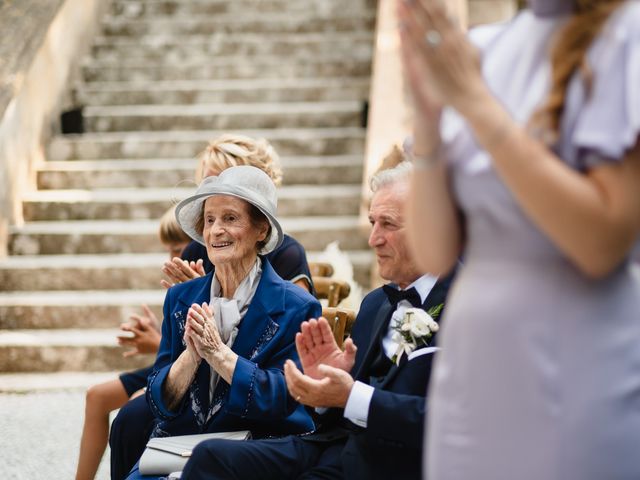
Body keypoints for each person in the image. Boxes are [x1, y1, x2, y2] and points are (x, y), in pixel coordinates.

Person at [397, 0, 640, 479]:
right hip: (473, 370)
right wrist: (427, 118)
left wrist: (472, 101)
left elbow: (599, 243)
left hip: (574, 361)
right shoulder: (486, 48)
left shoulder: (625, 34)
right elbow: (433, 250)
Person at [180, 162, 455, 480]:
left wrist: (351, 395)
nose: (374, 239)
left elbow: (456, 423)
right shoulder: (377, 303)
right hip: (332, 445)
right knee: (209, 456)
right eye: (372, 223)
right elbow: (334, 413)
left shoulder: (468, 307)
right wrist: (325, 389)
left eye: (389, 224)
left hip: (394, 462)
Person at [109, 135, 316, 479]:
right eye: (209, 220)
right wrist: (191, 356)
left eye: (230, 218)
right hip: (179, 448)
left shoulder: (296, 306)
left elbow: (284, 399)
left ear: (261, 229)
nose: (216, 230)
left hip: (255, 449)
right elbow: (160, 401)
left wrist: (221, 355)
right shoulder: (181, 298)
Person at [74, 206, 191, 480]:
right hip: (168, 365)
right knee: (96, 395)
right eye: (168, 250)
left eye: (177, 249)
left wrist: (157, 342)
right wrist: (157, 342)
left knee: (133, 409)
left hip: (183, 373)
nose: (171, 258)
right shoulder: (177, 282)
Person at [163, 133, 313, 293]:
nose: (215, 192)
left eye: (226, 181)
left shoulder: (287, 254)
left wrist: (207, 296)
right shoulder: (194, 252)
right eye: (208, 182)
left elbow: (297, 314)